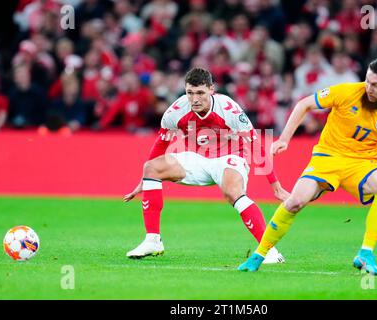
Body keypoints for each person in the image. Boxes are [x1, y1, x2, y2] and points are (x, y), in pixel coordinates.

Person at [238, 57, 377, 275]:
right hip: (327, 158)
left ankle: (366, 253)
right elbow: (303, 104)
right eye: (367, 81)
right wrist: (284, 138)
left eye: (376, 85)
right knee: (295, 201)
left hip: (362, 164)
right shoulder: (346, 92)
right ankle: (259, 255)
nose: (368, 88)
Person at [123, 68, 289, 263]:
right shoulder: (175, 111)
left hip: (231, 156)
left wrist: (275, 186)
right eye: (190, 93)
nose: (194, 99)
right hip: (198, 159)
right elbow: (161, 143)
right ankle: (153, 240)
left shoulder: (229, 109)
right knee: (151, 167)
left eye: (200, 93)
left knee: (232, 192)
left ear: (211, 89)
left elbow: (255, 145)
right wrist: (146, 180)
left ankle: (269, 250)